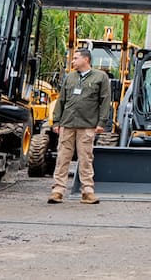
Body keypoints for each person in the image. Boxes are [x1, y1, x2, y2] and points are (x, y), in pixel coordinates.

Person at [47, 47, 112, 205]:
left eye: (76, 58)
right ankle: (58, 190)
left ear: (86, 59)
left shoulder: (100, 77)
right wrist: (56, 121)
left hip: (87, 125)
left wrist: (101, 122)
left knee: (85, 158)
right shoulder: (70, 77)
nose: (73, 61)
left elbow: (105, 101)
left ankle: (87, 191)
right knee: (63, 157)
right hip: (68, 124)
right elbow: (61, 100)